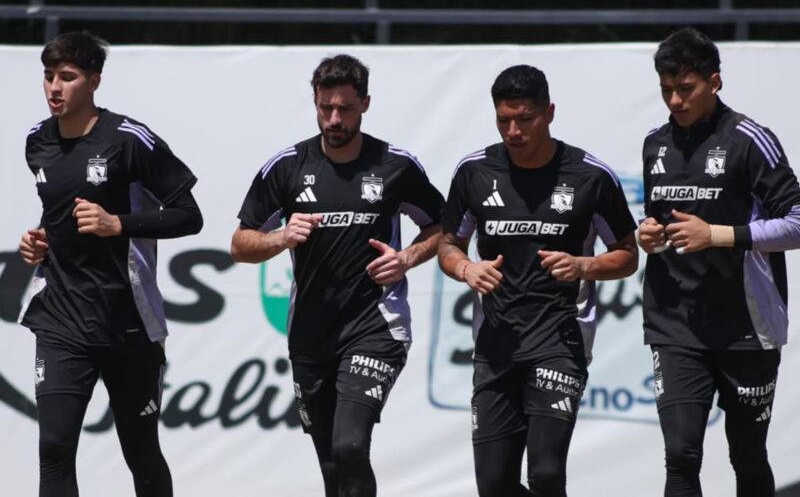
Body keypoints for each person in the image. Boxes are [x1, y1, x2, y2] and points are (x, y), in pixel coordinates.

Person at [230, 54, 444, 497]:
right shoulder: (287, 167)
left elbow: (443, 229)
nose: (334, 118)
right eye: (325, 107)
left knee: (349, 446)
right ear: (314, 101)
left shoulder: (395, 165)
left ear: (365, 104)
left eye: (345, 108)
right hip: (310, 332)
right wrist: (282, 238)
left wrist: (406, 259)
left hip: (375, 325)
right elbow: (240, 243)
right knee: (332, 463)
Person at [17, 31, 203, 497]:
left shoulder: (128, 139)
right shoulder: (36, 142)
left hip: (127, 322)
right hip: (60, 317)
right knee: (54, 447)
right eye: (48, 77)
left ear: (94, 81)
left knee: (140, 452)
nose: (55, 88)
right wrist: (40, 240)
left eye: (68, 77)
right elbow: (58, 211)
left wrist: (116, 223)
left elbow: (189, 216)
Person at [438, 65, 638, 497]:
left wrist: (584, 266)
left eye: (524, 119)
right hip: (495, 344)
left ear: (549, 112)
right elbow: (448, 244)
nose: (513, 130)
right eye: (503, 120)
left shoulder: (590, 176)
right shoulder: (475, 171)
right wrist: (466, 269)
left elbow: (627, 254)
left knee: (546, 475)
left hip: (560, 339)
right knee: (494, 483)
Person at [638, 27, 800, 497]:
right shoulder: (655, 144)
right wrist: (647, 234)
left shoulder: (750, 139)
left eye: (685, 89)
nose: (675, 100)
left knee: (747, 456)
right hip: (675, 324)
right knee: (681, 455)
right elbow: (659, 220)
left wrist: (719, 236)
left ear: (715, 82)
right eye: (666, 90)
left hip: (746, 328)